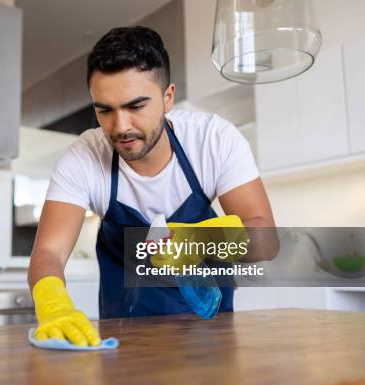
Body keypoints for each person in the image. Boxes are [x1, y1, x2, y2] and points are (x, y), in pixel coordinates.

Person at [27, 26, 276, 347]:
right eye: (105, 110)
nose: (121, 126)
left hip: (213, 331)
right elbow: (48, 252)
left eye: (136, 106)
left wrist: (196, 242)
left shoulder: (213, 140)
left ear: (167, 97)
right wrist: (53, 305)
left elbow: (267, 239)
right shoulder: (83, 157)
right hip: (127, 337)